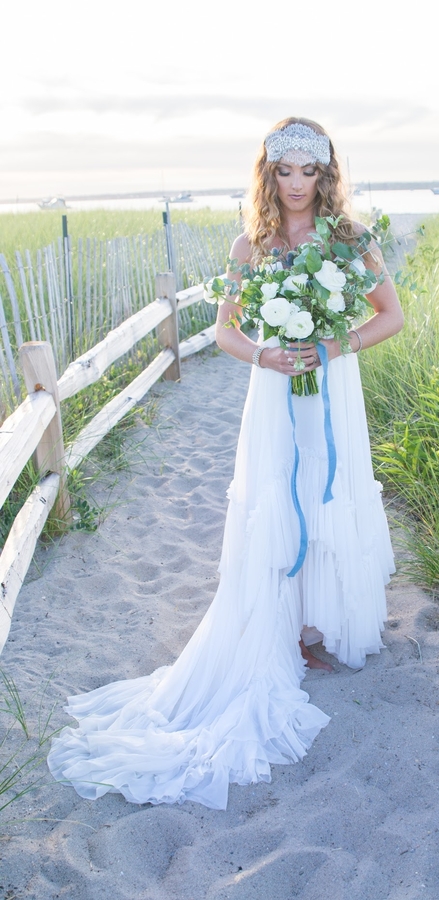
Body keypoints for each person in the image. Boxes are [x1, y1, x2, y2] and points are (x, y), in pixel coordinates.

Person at [47, 117, 404, 811]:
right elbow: (224, 330)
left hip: (331, 383)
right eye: (284, 170)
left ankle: (317, 624)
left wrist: (332, 349)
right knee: (278, 491)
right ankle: (281, 628)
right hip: (274, 388)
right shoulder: (251, 244)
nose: (296, 184)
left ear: (326, 176)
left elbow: (391, 316)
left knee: (326, 488)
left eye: (309, 171)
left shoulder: (353, 240)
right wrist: (267, 354)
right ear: (267, 174)